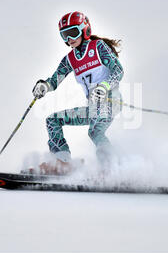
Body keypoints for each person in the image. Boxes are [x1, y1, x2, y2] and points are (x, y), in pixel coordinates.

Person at [32, 11, 124, 175]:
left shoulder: (98, 47)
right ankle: (62, 163)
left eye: (72, 33)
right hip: (93, 108)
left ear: (84, 30)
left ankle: (111, 167)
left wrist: (104, 86)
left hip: (111, 101)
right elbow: (55, 80)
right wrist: (44, 86)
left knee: (95, 131)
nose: (69, 39)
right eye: (64, 35)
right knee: (53, 120)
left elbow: (118, 70)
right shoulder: (70, 59)